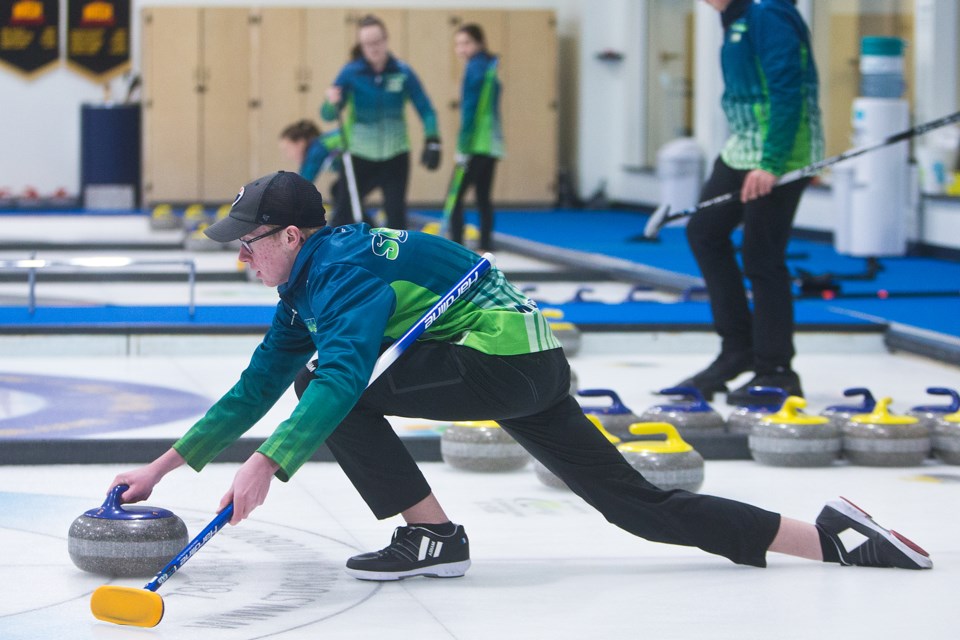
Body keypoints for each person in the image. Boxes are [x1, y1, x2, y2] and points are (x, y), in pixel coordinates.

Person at [108, 170, 931, 582]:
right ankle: (832, 537)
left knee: (327, 390)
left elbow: (339, 381)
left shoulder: (341, 271)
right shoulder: (308, 280)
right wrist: (163, 466)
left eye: (249, 242)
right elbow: (252, 384)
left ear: (290, 235)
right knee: (638, 508)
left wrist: (265, 464)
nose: (241, 256)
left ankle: (431, 535)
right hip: (528, 365)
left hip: (496, 362)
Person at [679, 0, 824, 405]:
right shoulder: (734, 18)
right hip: (742, 147)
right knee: (705, 232)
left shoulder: (769, 12)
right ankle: (737, 349)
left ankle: (776, 368)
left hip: (782, 153)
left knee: (762, 256)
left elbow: (787, 89)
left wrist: (773, 163)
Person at [320, 14, 441, 231]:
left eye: (377, 42)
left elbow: (426, 108)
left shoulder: (402, 72)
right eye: (367, 44)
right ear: (361, 46)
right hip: (360, 155)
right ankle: (342, 259)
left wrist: (433, 139)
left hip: (395, 154)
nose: (373, 48)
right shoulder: (351, 72)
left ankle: (395, 261)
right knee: (344, 212)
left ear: (386, 40)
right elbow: (328, 114)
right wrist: (331, 102)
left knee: (396, 215)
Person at [447, 23, 504, 252]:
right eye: (458, 44)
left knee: (453, 198)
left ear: (479, 43)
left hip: (475, 144)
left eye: (466, 43)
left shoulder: (474, 68)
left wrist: (462, 146)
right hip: (492, 144)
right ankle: (486, 243)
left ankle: (456, 246)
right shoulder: (490, 67)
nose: (461, 49)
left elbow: (470, 110)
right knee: (483, 196)